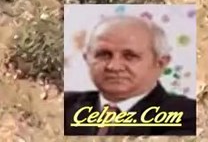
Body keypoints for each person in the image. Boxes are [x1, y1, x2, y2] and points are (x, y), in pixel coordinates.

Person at [63, 14, 198, 136]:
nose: (113, 67)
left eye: (130, 56)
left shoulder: (187, 115)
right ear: (87, 59)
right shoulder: (65, 105)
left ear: (160, 63)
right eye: (103, 55)